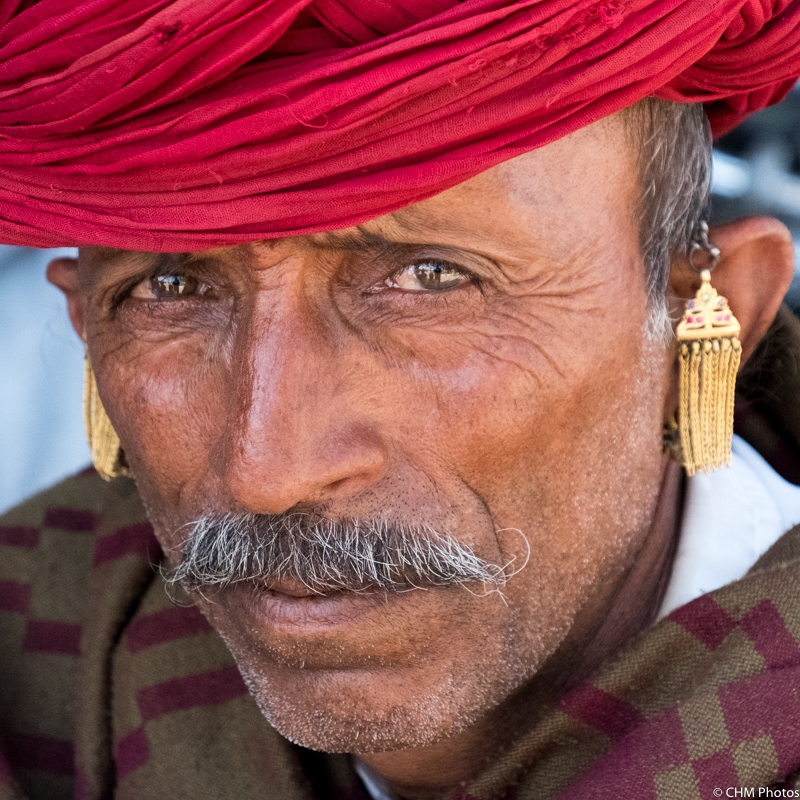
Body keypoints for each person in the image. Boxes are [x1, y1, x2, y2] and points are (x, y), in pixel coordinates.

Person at [1, 2, 800, 799]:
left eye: (431, 278)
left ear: (708, 310)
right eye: (169, 290)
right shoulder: (26, 654)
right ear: (86, 325)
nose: (266, 472)